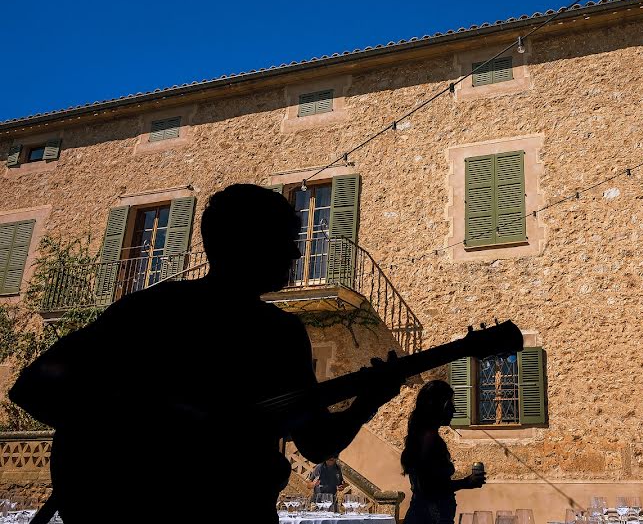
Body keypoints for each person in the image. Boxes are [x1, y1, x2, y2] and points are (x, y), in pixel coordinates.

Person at [9, 184, 402, 524]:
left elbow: (315, 444)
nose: (297, 253)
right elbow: (34, 386)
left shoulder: (149, 308)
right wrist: (154, 429)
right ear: (249, 243)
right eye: (287, 239)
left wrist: (369, 398)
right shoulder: (266, 332)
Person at [401, 380, 485, 524]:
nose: (454, 410)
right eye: (449, 404)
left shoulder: (424, 436)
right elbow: (428, 487)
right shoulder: (428, 439)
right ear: (436, 406)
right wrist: (466, 482)